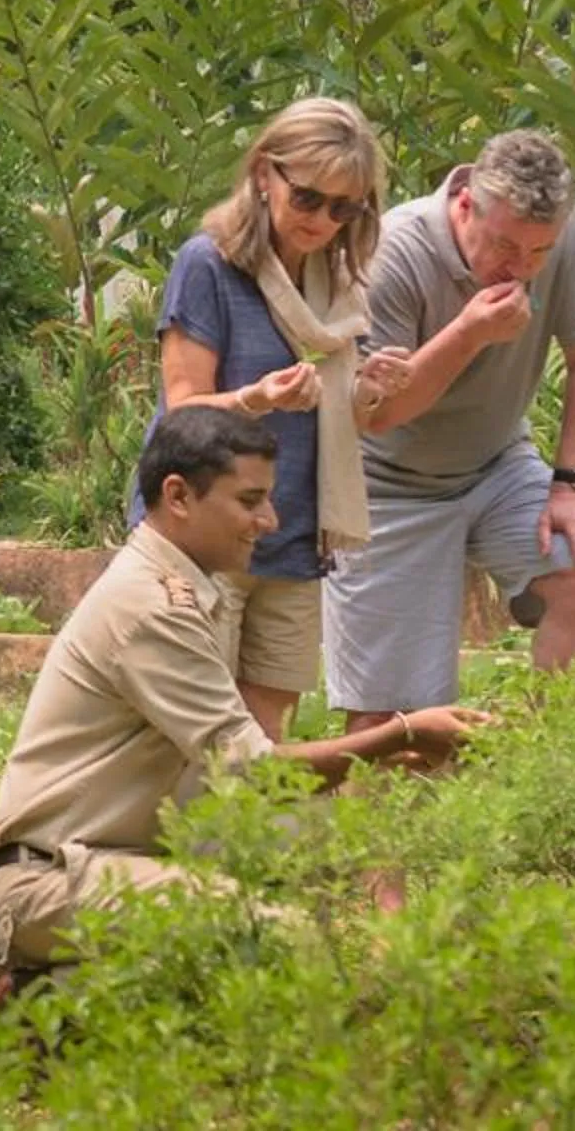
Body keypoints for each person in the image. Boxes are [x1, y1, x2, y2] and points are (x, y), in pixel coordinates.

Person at [0, 406, 484, 974]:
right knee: (282, 937)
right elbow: (254, 772)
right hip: (50, 882)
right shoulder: (150, 608)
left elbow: (233, 778)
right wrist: (401, 733)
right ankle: (52, 987)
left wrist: (390, 757)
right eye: (249, 500)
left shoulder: (186, 591)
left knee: (338, 838)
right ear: (179, 496)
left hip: (117, 857)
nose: (269, 519)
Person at [332, 128, 575, 729]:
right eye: (506, 247)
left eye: (538, 253)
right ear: (465, 205)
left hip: (497, 465)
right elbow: (378, 413)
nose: (522, 268)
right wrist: (468, 334)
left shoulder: (562, 238)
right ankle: (389, 820)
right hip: (384, 483)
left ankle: (567, 787)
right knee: (393, 719)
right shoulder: (392, 253)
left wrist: (568, 486)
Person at [146, 97, 411, 739]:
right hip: (205, 535)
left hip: (292, 535)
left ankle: (248, 844)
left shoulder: (336, 282)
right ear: (265, 173)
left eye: (344, 207)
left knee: (264, 746)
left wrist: (366, 388)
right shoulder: (208, 263)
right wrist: (255, 399)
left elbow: (334, 416)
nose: (324, 219)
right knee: (192, 739)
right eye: (309, 199)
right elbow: (182, 411)